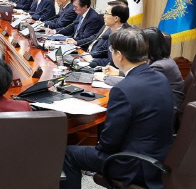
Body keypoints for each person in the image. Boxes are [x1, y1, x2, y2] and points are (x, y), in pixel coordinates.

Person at [61, 28, 173, 189]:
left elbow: (109, 142)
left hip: (133, 164)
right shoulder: (160, 78)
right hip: (160, 157)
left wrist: (97, 150)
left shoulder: (123, 89)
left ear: (119, 55)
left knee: (67, 153)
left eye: (112, 50)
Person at [97, 27, 184, 116]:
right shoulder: (158, 58)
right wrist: (118, 72)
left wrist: (105, 78)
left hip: (166, 112)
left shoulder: (160, 66)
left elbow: (134, 83)